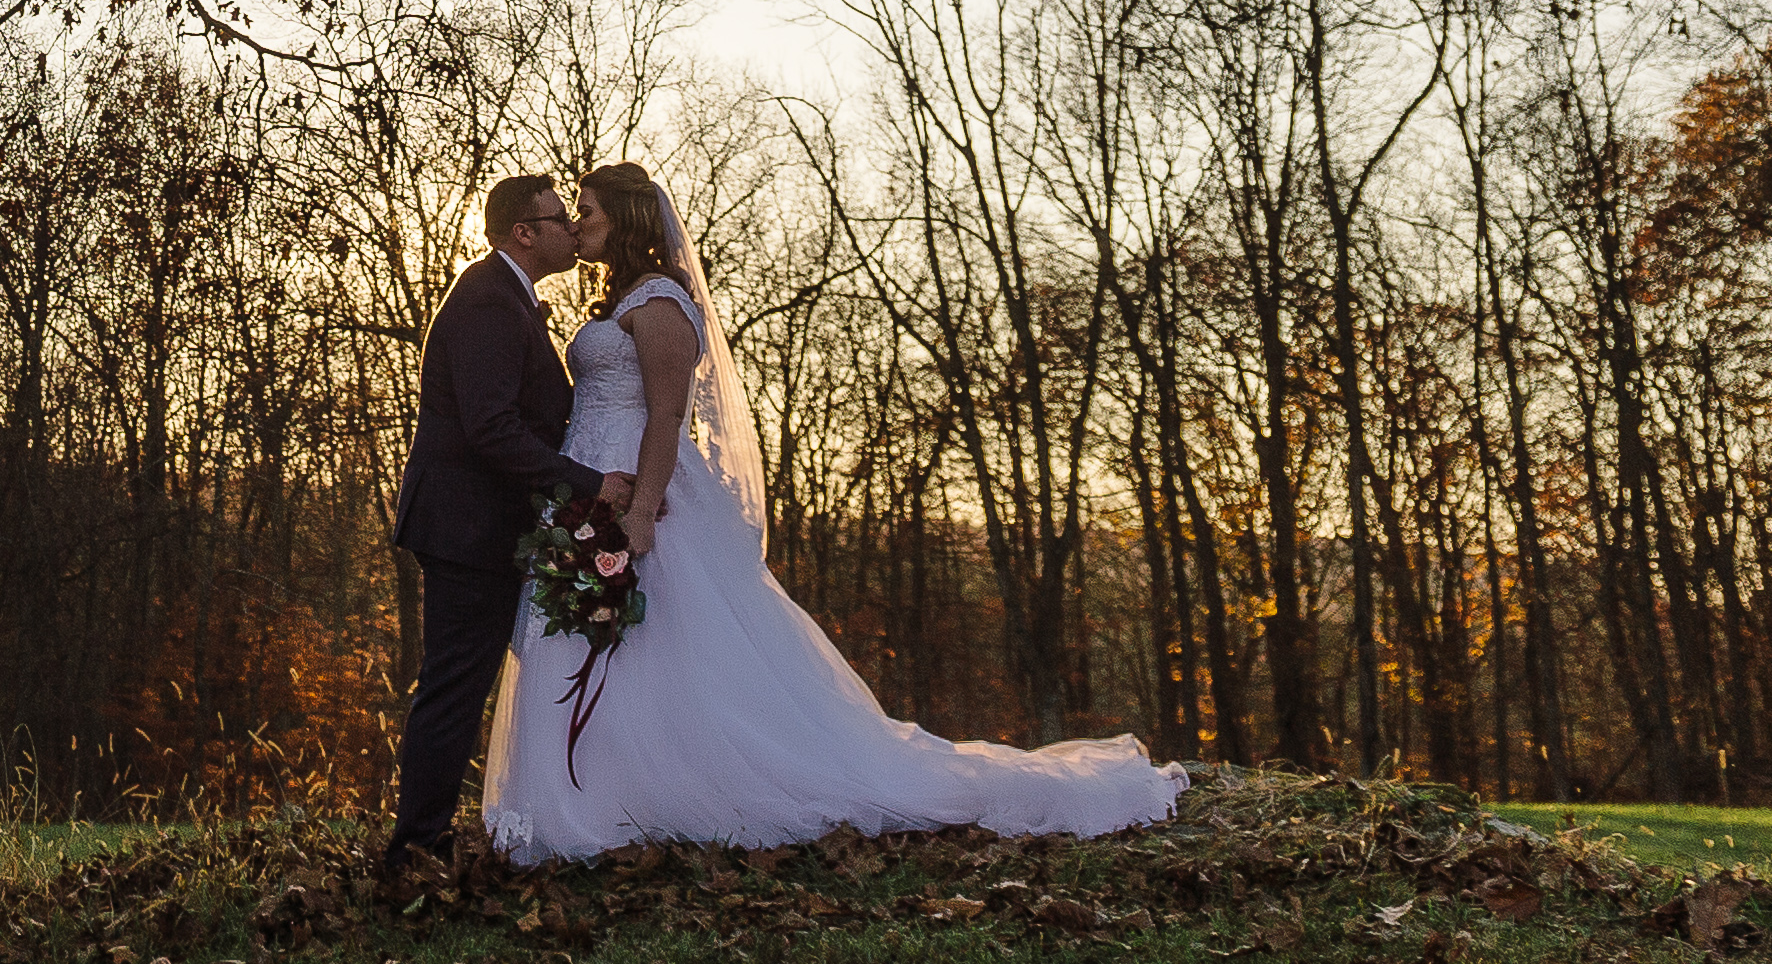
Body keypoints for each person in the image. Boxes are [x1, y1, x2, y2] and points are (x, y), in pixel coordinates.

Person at [477, 161, 1189, 860]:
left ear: (626, 220)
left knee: (660, 643)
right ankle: (599, 792)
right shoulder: (624, 301)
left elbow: (665, 419)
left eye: (589, 211)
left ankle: (663, 793)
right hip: (592, 487)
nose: (577, 222)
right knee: (605, 644)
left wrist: (640, 516)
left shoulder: (659, 302)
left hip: (642, 494)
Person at [382, 172, 623, 873]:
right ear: (525, 231)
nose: (571, 232)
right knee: (455, 686)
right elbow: (492, 430)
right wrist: (591, 484)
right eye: (558, 219)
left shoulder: (507, 297)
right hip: (466, 528)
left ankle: (427, 840)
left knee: (461, 683)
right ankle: (414, 851)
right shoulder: (489, 300)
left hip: (481, 525)